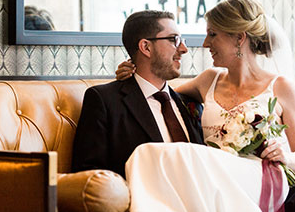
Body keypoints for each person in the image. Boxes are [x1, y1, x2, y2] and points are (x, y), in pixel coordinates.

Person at [117, 0, 295, 212]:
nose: (205, 43)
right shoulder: (208, 80)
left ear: (239, 38)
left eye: (212, 34)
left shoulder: (282, 88)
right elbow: (160, 95)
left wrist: (286, 157)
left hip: (263, 183)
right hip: (218, 189)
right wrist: (134, 73)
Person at [72, 10, 204, 179]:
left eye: (182, 40)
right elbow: (88, 175)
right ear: (146, 47)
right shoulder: (104, 101)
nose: (184, 49)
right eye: (174, 40)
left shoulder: (190, 103)